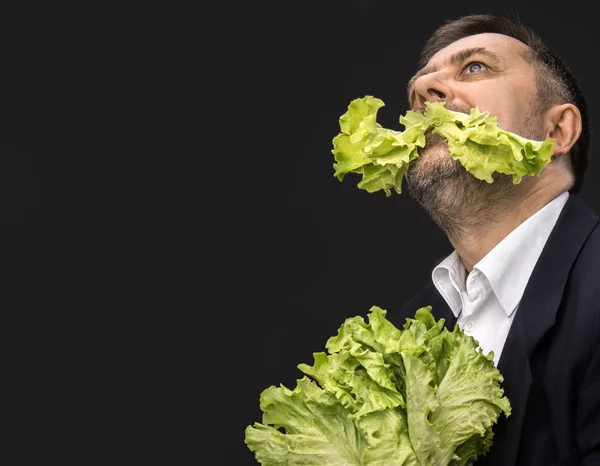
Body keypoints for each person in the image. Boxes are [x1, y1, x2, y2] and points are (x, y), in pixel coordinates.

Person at [388, 13, 600, 466]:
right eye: (417, 89)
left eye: (475, 68)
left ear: (556, 131)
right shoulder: (406, 329)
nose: (426, 93)